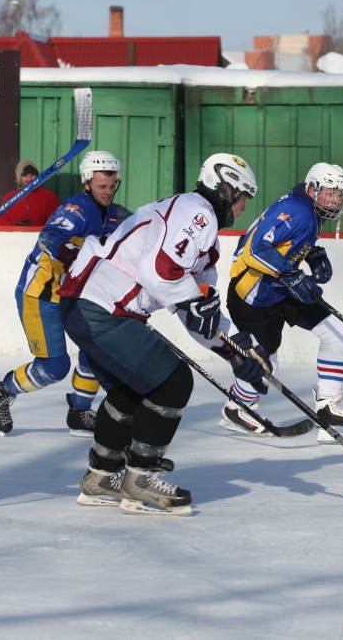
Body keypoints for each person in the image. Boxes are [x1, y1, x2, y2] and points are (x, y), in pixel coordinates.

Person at [58, 153, 268, 516]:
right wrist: (195, 303)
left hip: (87, 305)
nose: (244, 207)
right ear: (224, 188)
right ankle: (139, 479)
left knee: (127, 395)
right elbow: (161, 273)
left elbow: (197, 313)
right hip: (102, 307)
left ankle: (101, 476)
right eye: (241, 197)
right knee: (173, 384)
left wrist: (235, 350)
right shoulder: (196, 212)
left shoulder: (202, 232)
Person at [0, 151, 127, 437]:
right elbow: (49, 237)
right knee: (55, 367)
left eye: (112, 185)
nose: (108, 192)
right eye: (102, 186)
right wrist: (73, 253)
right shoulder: (77, 207)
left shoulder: (110, 214)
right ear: (87, 183)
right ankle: (1, 392)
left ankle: (80, 412)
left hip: (71, 297)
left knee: (96, 348)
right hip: (40, 294)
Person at [222, 163, 343, 444]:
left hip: (281, 287)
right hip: (253, 295)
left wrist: (311, 253)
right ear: (312, 189)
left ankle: (327, 408)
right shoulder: (300, 211)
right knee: (265, 368)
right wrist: (291, 273)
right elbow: (256, 249)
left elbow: (285, 243)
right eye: (328, 193)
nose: (334, 200)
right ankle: (237, 409)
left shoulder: (310, 209)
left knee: (339, 336)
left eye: (339, 195)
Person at [0, 159, 60, 226]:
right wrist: (17, 225)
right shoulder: (9, 198)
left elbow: (56, 221)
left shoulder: (49, 196)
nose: (29, 179)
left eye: (32, 174)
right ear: (19, 177)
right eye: (25, 175)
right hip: (16, 236)